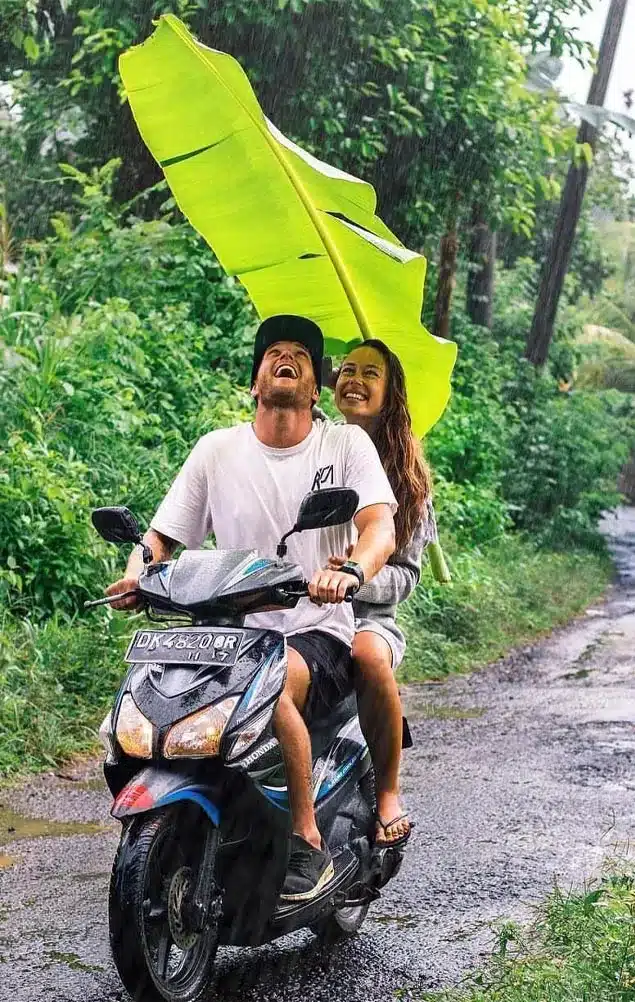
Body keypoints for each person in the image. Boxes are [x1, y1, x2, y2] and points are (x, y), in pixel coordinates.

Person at [105, 315, 397, 903]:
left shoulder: (344, 444)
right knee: (158, 689)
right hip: (228, 632)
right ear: (254, 381)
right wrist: (138, 574)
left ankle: (305, 842)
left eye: (301, 356)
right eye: (273, 353)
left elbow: (379, 527)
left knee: (271, 681)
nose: (286, 358)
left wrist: (349, 571)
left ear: (315, 389)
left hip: (316, 629)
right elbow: (161, 537)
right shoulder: (217, 450)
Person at [328, 339, 436, 848]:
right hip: (297, 606)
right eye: (347, 369)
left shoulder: (408, 480)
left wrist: (357, 577)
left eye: (370, 373)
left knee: (369, 656)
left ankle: (389, 791)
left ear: (391, 393)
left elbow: (407, 575)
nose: (354, 379)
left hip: (368, 618)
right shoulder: (314, 446)